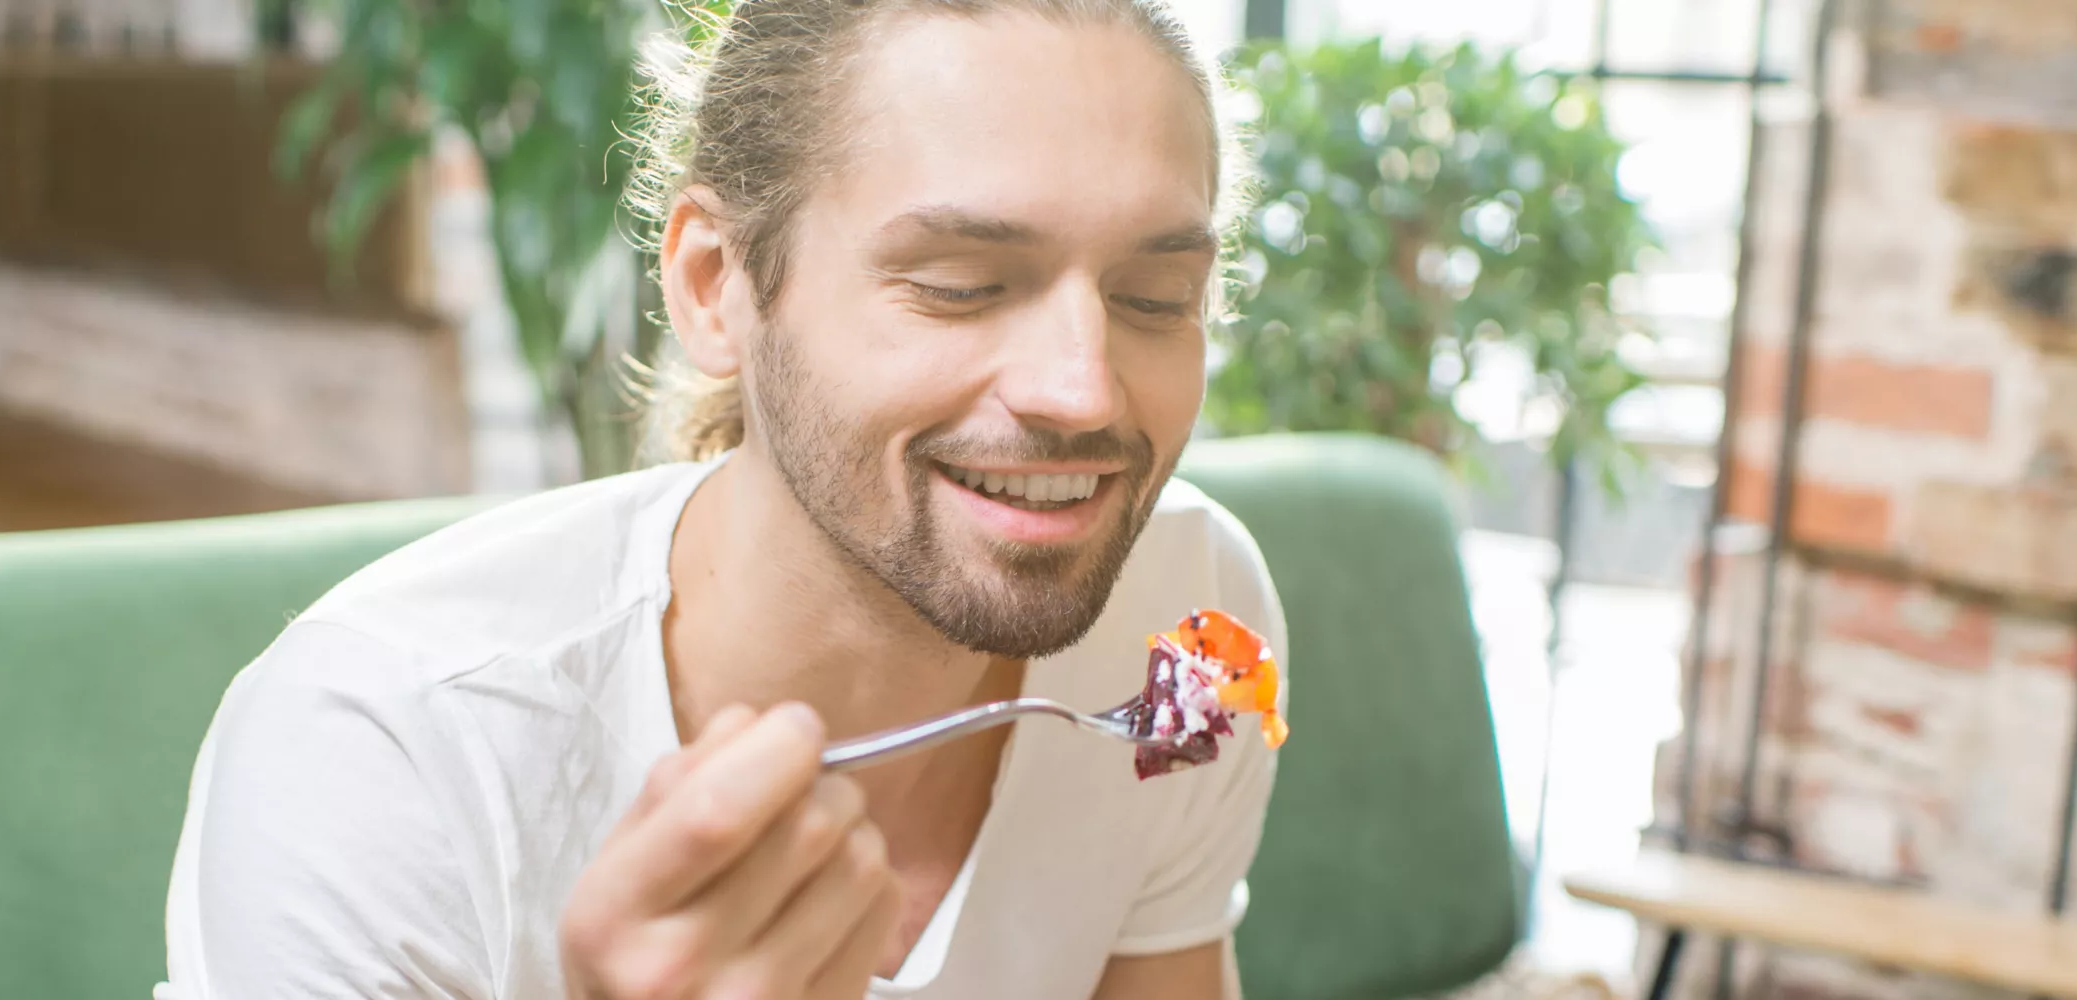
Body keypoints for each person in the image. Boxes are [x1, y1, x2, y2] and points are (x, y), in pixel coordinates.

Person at [159, 0, 1288, 996]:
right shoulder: (385, 753)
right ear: (714, 285)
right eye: (960, 287)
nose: (1082, 389)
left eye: (1153, 298)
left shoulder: (1187, 627)